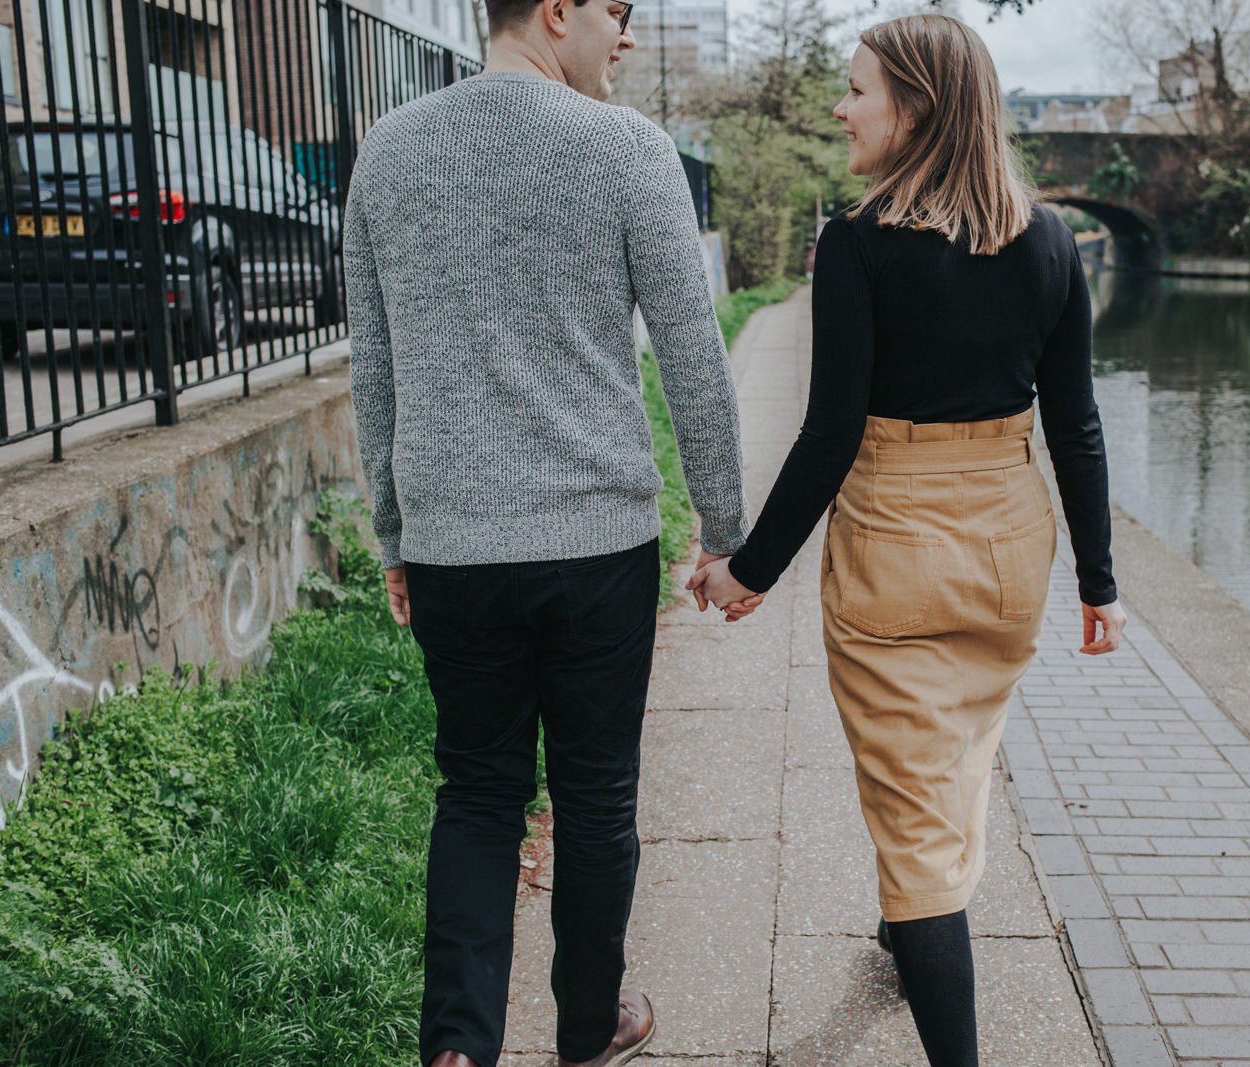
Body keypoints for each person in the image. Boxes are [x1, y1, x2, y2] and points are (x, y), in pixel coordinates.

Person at [688, 14, 1128, 1066]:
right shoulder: (1052, 240)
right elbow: (1074, 424)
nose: (839, 108)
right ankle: (904, 927)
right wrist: (1099, 583)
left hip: (894, 549)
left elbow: (831, 430)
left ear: (914, 109)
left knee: (919, 833)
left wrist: (748, 570)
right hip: (1006, 550)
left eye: (855, 91)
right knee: (950, 758)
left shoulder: (854, 242)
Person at [342, 0, 755, 1061]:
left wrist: (394, 534)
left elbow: (376, 368)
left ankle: (457, 1046)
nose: (625, 38)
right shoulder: (627, 149)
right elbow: (691, 356)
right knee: (596, 791)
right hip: (592, 546)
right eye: (616, 14)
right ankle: (585, 1028)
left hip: (452, 549)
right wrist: (725, 529)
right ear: (557, 11)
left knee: (476, 793)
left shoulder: (387, 152)